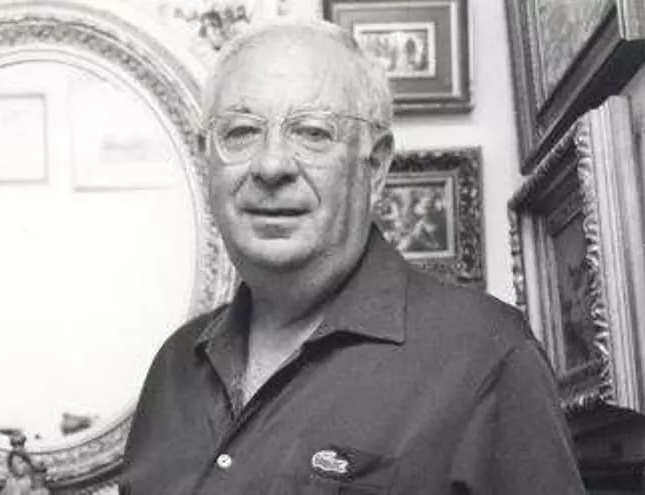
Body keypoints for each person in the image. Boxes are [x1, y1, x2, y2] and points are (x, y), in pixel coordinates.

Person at [120, 20, 587, 494]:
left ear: (375, 166)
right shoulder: (174, 368)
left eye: (313, 132)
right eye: (241, 131)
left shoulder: (486, 356)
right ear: (208, 160)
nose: (272, 165)